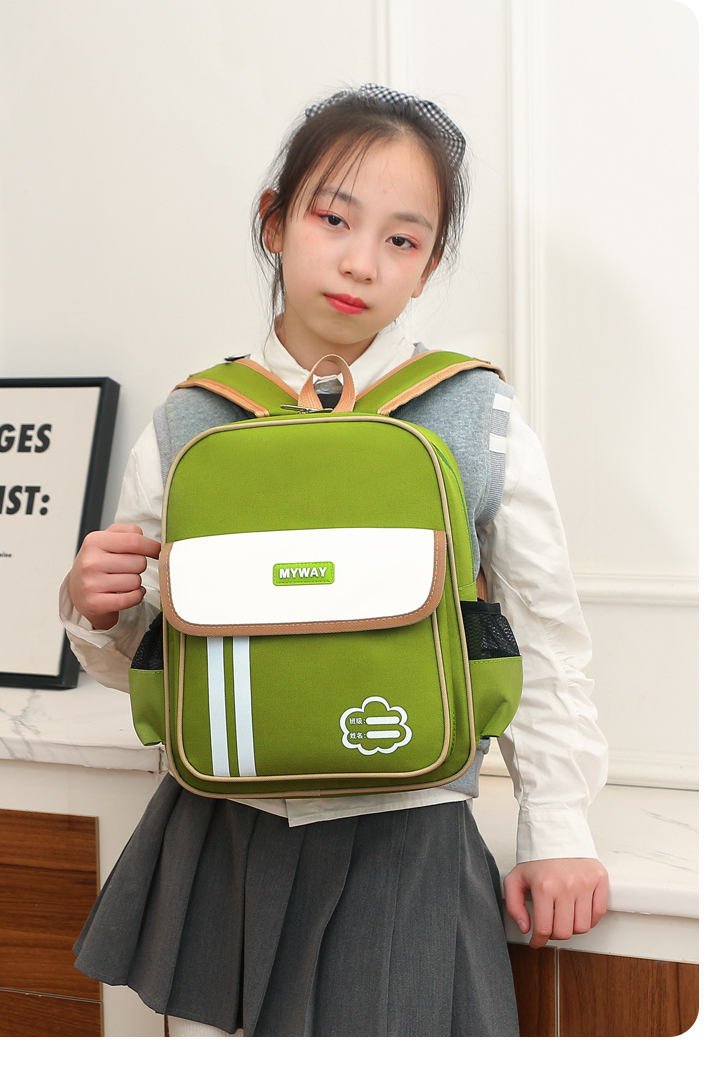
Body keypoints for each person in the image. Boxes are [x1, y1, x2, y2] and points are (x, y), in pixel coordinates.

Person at [61, 84, 609, 1038]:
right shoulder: (191, 418)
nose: (362, 262)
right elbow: (149, 656)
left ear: (427, 267)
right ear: (275, 223)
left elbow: (543, 635)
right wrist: (93, 608)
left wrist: (556, 830)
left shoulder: (477, 414)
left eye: (402, 239)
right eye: (333, 219)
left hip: (407, 830)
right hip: (217, 829)